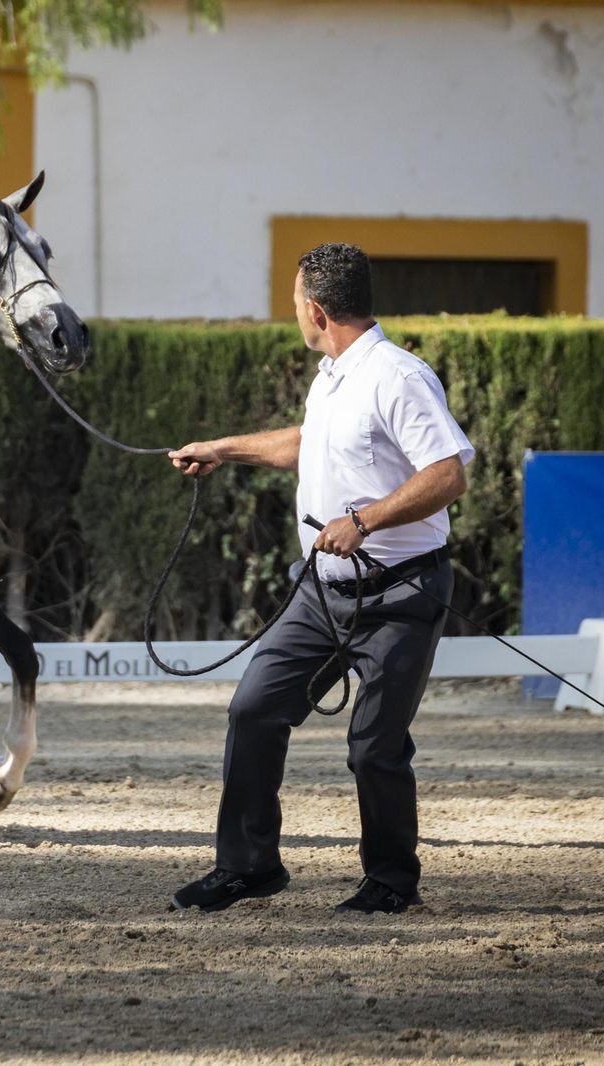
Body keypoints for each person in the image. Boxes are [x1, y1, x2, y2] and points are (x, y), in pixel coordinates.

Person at [166, 243, 473, 915]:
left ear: (314, 308)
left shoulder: (398, 375)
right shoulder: (334, 374)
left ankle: (391, 882)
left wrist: (363, 521)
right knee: (253, 710)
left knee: (373, 748)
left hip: (399, 593)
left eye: (294, 301)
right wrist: (224, 450)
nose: (293, 313)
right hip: (322, 592)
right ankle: (249, 868)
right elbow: (310, 443)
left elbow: (448, 474)